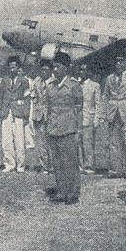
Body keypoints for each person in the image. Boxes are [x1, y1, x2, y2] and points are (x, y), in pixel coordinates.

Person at [46, 52, 83, 205]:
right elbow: (48, 108)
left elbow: (79, 108)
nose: (55, 70)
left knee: (70, 162)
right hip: (54, 128)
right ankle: (61, 191)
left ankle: (72, 193)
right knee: (57, 162)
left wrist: (78, 130)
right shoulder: (50, 86)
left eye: (58, 67)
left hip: (68, 129)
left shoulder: (74, 86)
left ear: (66, 68)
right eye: (54, 67)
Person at [0, 55, 31, 172]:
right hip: (6, 112)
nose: (12, 69)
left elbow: (27, 99)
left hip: (19, 112)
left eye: (14, 67)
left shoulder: (24, 82)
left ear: (18, 68)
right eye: (10, 67)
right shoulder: (4, 81)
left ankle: (21, 165)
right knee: (6, 139)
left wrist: (26, 114)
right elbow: (0, 98)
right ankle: (9, 164)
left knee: (19, 139)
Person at [102, 56, 126, 178]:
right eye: (116, 61)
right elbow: (105, 96)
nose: (118, 63)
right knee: (113, 141)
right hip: (112, 113)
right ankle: (114, 169)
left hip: (125, 112)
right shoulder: (109, 78)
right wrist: (103, 113)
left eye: (121, 61)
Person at [31, 59, 55, 173]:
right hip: (38, 115)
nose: (43, 72)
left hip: (51, 115)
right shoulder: (36, 82)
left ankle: (53, 165)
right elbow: (34, 98)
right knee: (41, 141)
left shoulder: (54, 82)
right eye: (42, 70)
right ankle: (45, 165)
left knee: (51, 141)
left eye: (46, 70)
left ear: (50, 70)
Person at [78, 64, 102, 174]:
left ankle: (89, 165)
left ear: (88, 72)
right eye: (80, 70)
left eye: (83, 70)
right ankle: (81, 164)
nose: (81, 72)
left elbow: (98, 103)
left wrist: (97, 118)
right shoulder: (77, 85)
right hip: (78, 118)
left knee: (88, 142)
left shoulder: (95, 85)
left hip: (89, 117)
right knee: (79, 142)